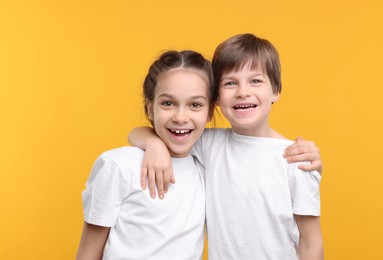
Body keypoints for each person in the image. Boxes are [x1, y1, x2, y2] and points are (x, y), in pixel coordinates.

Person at [128, 33, 323, 259]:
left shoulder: (296, 158)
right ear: (217, 98)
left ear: (276, 91)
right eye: (230, 83)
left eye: (256, 81)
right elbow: (138, 132)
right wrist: (154, 145)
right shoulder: (211, 144)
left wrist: (316, 166)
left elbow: (311, 243)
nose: (242, 92)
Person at [76, 50, 217, 259]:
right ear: (149, 108)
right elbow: (87, 253)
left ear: (210, 112)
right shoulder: (119, 166)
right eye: (167, 103)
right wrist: (153, 143)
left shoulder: (208, 165)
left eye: (195, 105)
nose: (180, 117)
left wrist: (285, 149)